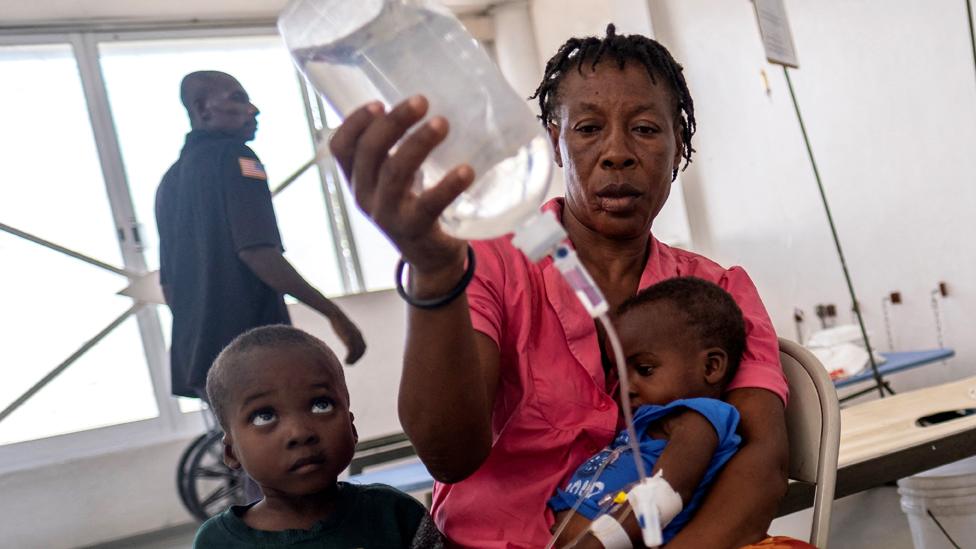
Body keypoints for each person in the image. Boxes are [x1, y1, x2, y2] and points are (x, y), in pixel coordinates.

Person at [330, 25, 791, 548]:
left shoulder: (718, 293)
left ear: (678, 142)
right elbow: (448, 456)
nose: (617, 153)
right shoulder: (488, 264)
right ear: (555, 141)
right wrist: (434, 274)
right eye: (588, 129)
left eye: (644, 128)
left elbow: (763, 463)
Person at [156, 70, 365, 401]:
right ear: (202, 109)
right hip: (251, 353)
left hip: (199, 356)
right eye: (238, 99)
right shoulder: (238, 159)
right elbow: (257, 252)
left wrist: (203, 326)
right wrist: (332, 312)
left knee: (242, 447)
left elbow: (168, 285)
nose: (253, 109)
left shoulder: (169, 182)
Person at [193, 325, 443, 548]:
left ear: (352, 427)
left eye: (321, 405)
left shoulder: (395, 514)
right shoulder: (217, 542)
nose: (300, 433)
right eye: (264, 416)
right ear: (231, 451)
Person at [548, 277, 745, 547]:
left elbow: (665, 494)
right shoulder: (645, 423)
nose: (626, 387)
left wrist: (600, 543)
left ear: (711, 367)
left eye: (645, 369)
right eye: (620, 373)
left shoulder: (698, 419)